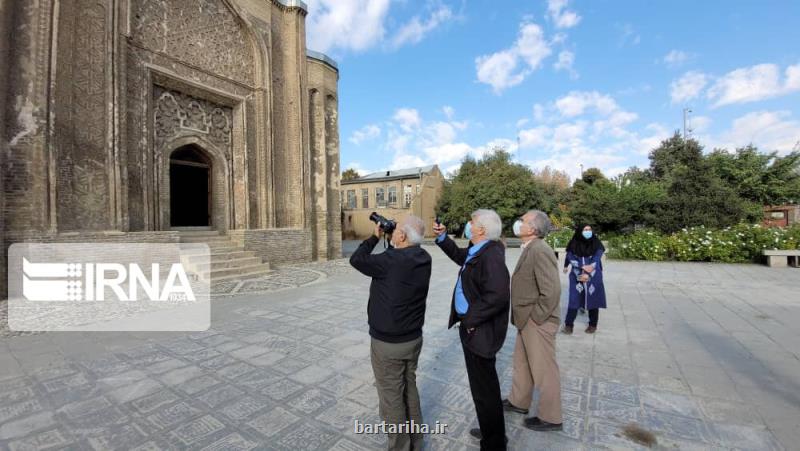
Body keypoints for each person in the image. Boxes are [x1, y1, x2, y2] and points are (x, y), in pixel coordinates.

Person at [349, 215, 432, 451]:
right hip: (413, 339)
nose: (393, 231)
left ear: (403, 236)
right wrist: (390, 237)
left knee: (391, 397)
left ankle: (399, 447)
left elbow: (357, 259)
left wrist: (375, 236)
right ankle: (416, 442)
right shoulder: (424, 257)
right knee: (409, 389)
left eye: (396, 230)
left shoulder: (390, 260)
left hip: (389, 344)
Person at [432, 209, 510, 451]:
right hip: (474, 328)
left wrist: (470, 320)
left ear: (481, 230)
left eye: (472, 222)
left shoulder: (491, 256)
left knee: (484, 391)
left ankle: (494, 443)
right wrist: (444, 238)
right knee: (483, 388)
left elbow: (498, 296)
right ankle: (491, 431)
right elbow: (460, 255)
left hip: (479, 332)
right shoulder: (479, 250)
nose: (468, 224)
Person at [504, 210, 563, 431]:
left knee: (544, 369)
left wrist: (536, 317)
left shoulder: (540, 250)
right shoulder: (530, 248)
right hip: (526, 319)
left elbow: (552, 290)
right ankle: (519, 401)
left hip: (537, 320)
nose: (519, 223)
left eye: (524, 220)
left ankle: (551, 417)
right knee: (522, 362)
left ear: (533, 229)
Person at [562, 224, 607, 334]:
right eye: (585, 230)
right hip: (577, 275)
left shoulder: (596, 243)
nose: (588, 232)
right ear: (580, 231)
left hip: (593, 274)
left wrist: (589, 270)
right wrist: (581, 267)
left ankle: (593, 324)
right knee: (574, 299)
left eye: (589, 229)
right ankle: (569, 325)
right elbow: (570, 256)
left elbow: (597, 257)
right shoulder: (574, 243)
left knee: (593, 298)